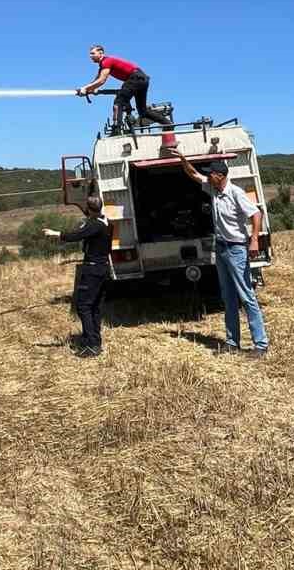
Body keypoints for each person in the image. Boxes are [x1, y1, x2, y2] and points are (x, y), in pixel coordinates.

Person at [177, 155, 268, 355]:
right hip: (221, 247)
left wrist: (253, 240)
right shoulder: (213, 189)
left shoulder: (235, 193)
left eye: (211, 174)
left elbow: (256, 214)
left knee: (246, 296)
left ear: (220, 176)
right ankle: (232, 343)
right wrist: (182, 158)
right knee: (228, 297)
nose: (208, 176)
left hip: (236, 248)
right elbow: (193, 174)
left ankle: (260, 344)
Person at [43, 194, 112, 358]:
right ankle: (95, 339)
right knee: (95, 306)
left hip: (92, 270)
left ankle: (91, 344)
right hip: (103, 269)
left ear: (88, 209)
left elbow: (76, 235)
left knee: (83, 306)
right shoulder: (105, 223)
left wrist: (56, 234)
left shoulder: (94, 225)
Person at [76, 45, 172, 132]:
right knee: (143, 111)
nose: (90, 56)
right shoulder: (103, 65)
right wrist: (89, 89)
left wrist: (85, 88)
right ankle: (168, 124)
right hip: (142, 79)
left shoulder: (106, 61)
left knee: (119, 102)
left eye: (93, 53)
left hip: (135, 78)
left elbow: (101, 81)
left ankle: (116, 129)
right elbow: (96, 80)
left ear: (101, 53)